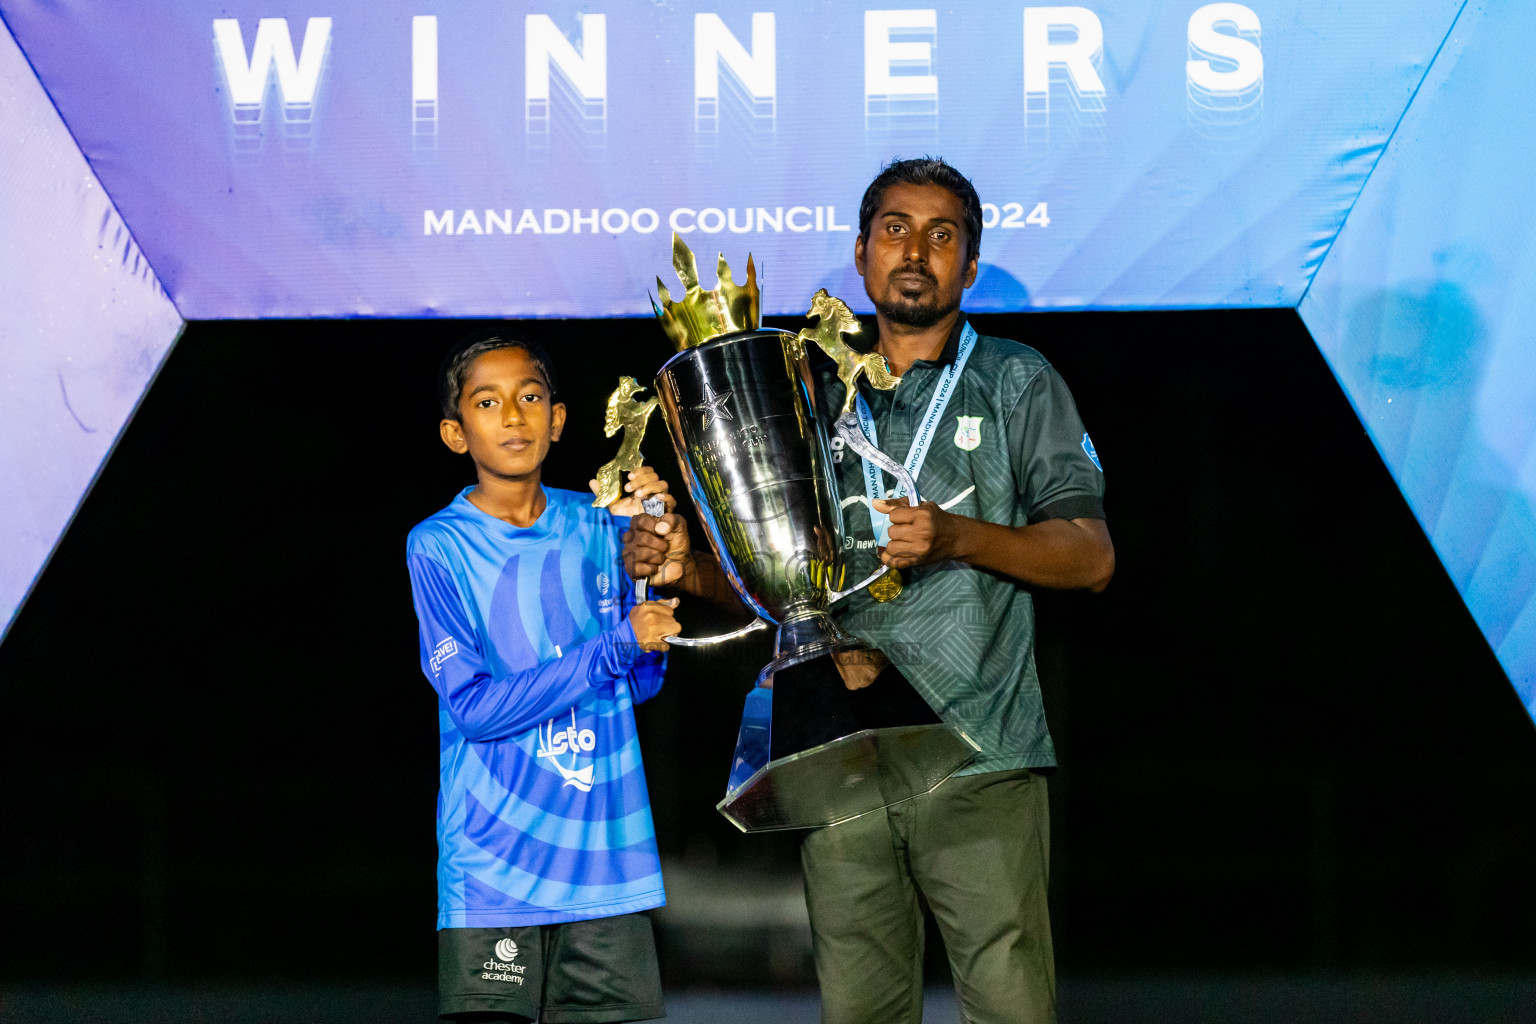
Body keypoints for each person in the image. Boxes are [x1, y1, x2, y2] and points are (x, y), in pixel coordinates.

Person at [625, 158, 1113, 1024]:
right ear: (859, 254)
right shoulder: (807, 390)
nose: (915, 251)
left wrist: (957, 535)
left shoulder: (1016, 381)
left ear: (969, 263)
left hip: (979, 752)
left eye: (941, 235)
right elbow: (780, 587)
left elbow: (1089, 556)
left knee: (1012, 1010)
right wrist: (690, 569)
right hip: (839, 758)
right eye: (894, 230)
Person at [407, 327, 682, 1024]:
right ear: (454, 433)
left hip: (606, 870)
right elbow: (474, 709)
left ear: (557, 421)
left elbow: (640, 681)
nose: (514, 415)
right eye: (488, 401)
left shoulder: (598, 523)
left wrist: (650, 560)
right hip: (495, 871)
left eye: (530, 396)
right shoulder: (438, 545)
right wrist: (619, 643)